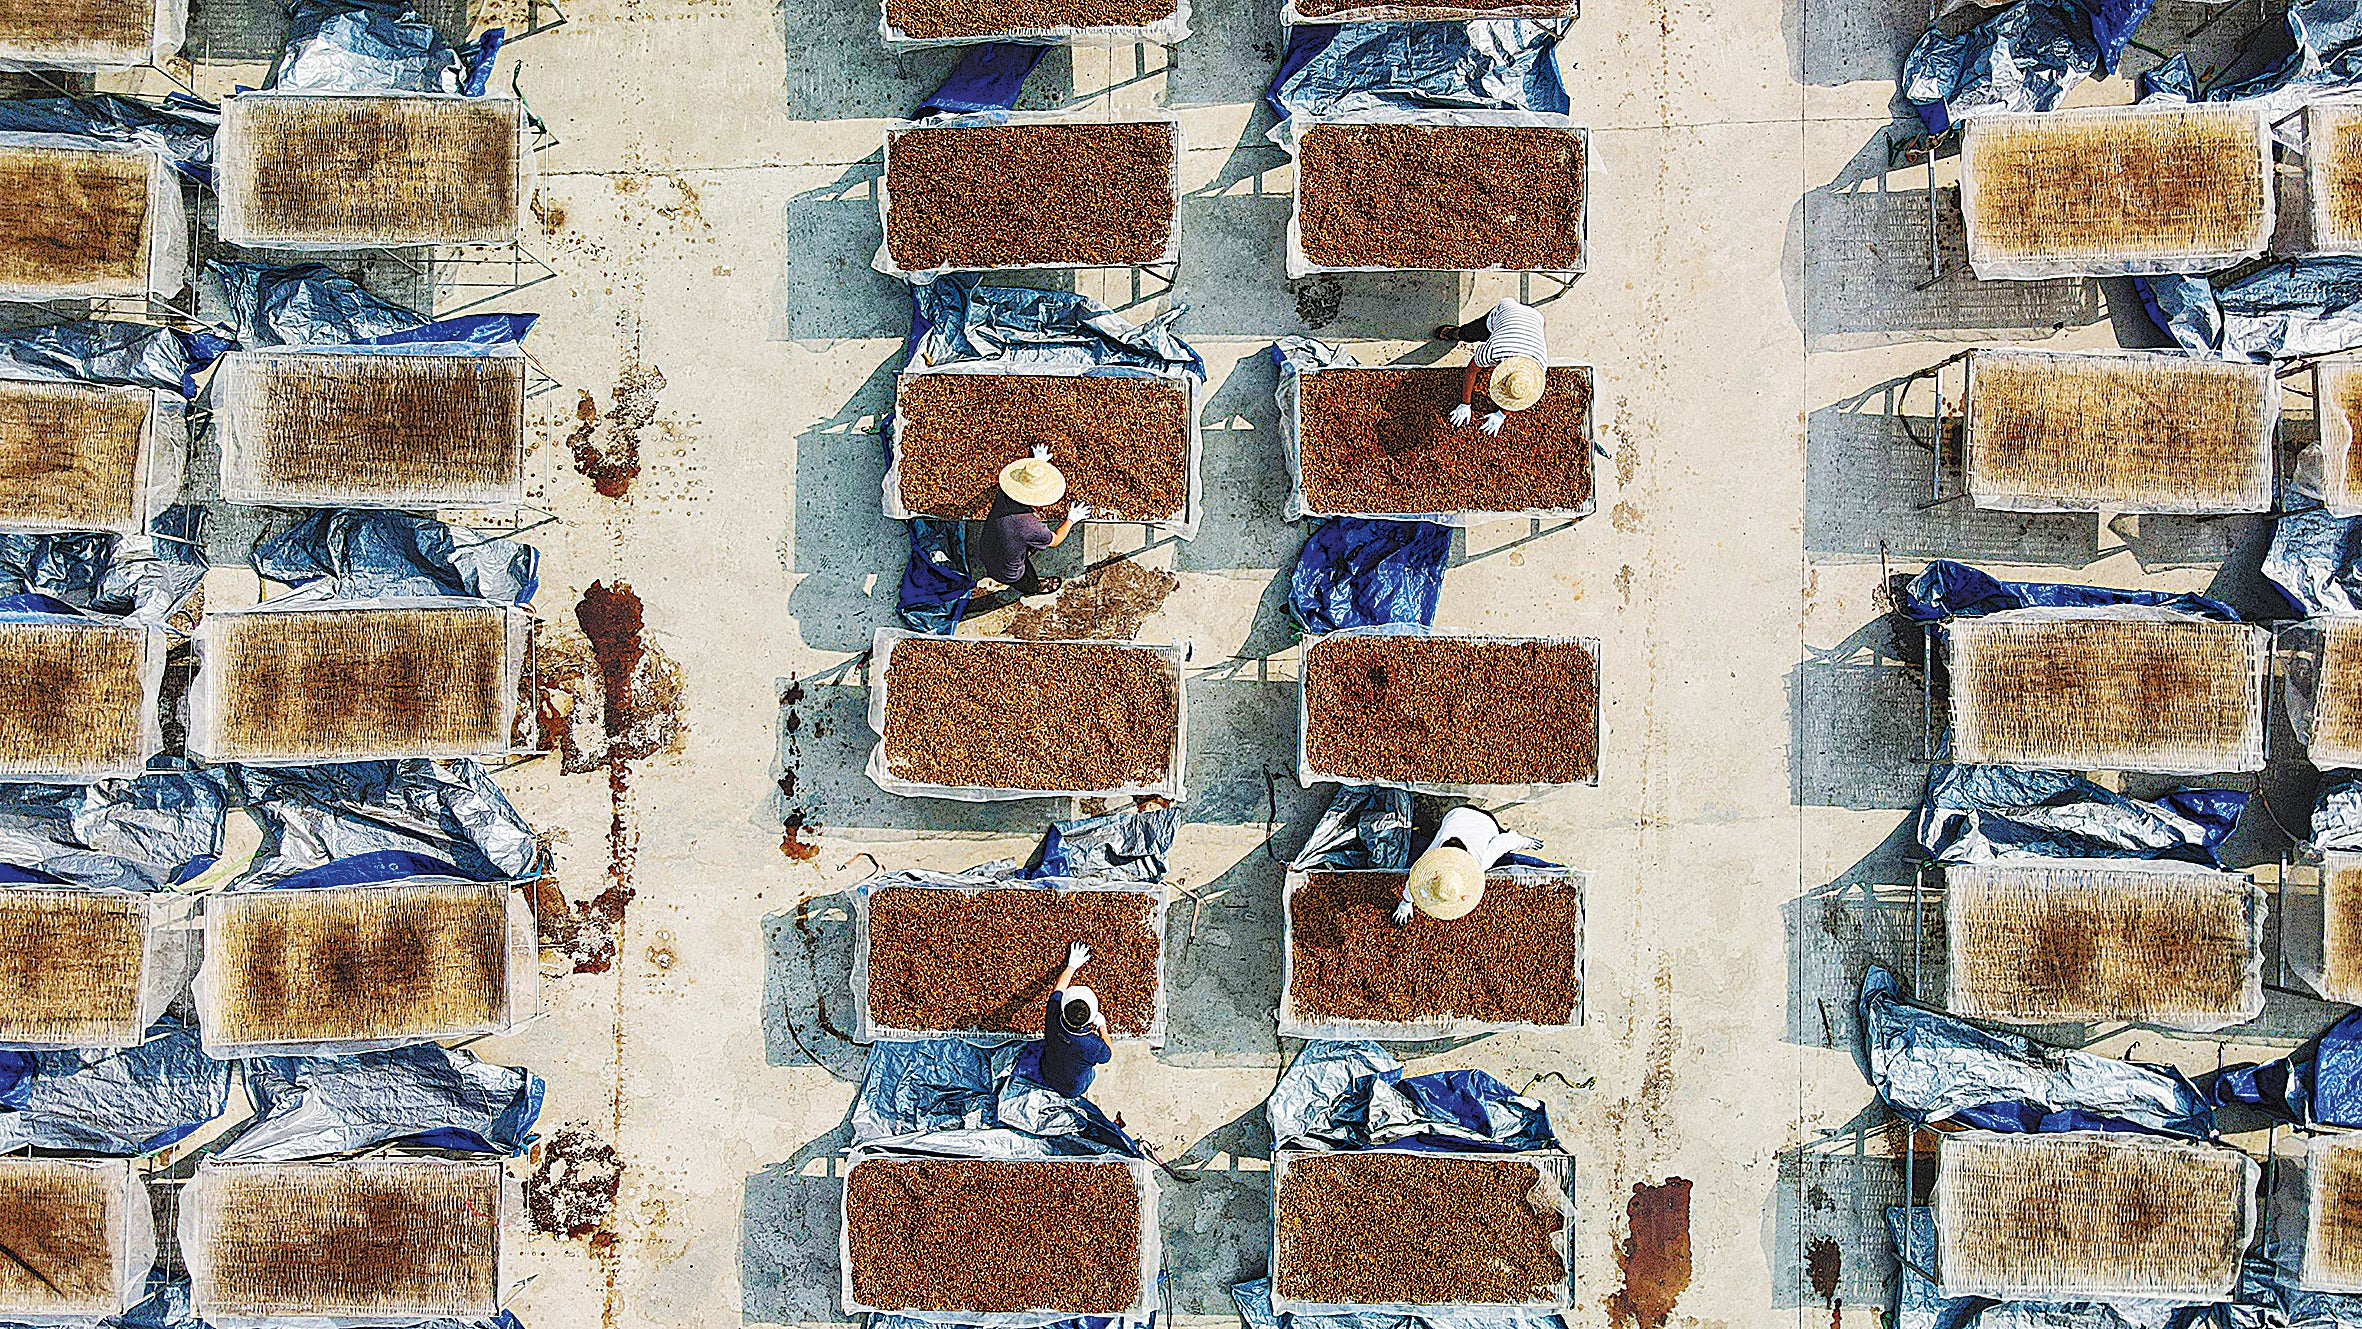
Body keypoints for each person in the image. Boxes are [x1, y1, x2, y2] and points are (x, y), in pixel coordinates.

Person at [1392, 805, 1543, 926]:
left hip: (1484, 821)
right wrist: (1405, 902)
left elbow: (1504, 842)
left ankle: (1509, 830)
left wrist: (1524, 842)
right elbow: (1416, 880)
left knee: (1503, 844)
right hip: (1456, 813)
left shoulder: (1481, 861)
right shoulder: (1429, 859)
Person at [1433, 296, 1550, 436]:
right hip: (1506, 311)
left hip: (1536, 319)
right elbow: (1471, 371)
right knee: (1468, 334)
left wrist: (1502, 414)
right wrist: (1465, 404)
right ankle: (1453, 333)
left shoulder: (1539, 368)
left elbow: (1518, 395)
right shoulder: (1494, 350)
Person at [977, 452, 1090, 597]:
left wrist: (1034, 470)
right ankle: (1035, 588)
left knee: (1016, 547)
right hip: (1007, 572)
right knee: (1025, 579)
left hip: (987, 548)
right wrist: (1071, 519)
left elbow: (1018, 489)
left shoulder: (1003, 496)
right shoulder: (1031, 527)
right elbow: (1055, 540)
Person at [1033, 940, 1112, 1097]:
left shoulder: (1053, 1014)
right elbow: (1108, 1052)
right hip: (1072, 1089)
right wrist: (1102, 1027)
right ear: (1090, 1020)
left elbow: (1059, 988)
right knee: (1091, 1074)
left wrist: (1071, 966)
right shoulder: (1093, 1045)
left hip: (1047, 1073)